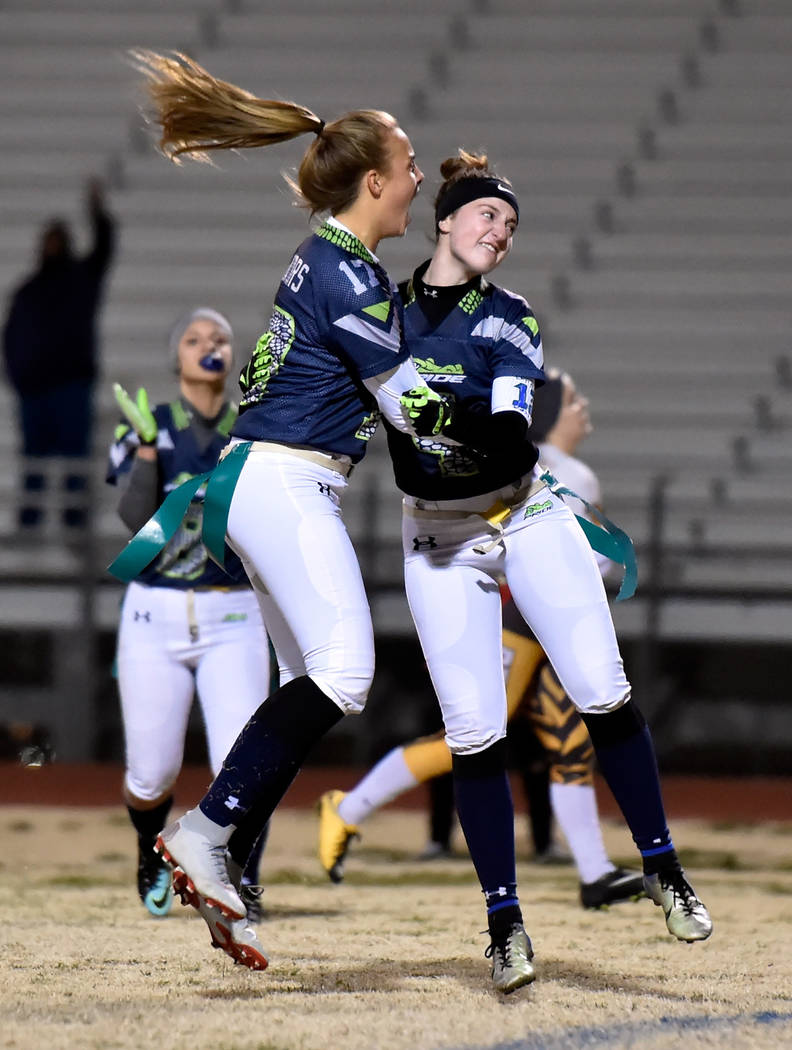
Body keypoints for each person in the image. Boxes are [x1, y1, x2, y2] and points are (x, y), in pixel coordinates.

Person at [119, 50, 459, 976]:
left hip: (258, 479)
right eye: (411, 162)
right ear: (376, 180)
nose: (420, 176)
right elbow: (413, 407)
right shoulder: (345, 276)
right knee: (346, 673)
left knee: (302, 683)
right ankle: (209, 834)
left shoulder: (333, 262)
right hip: (282, 481)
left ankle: (227, 873)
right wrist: (514, 470)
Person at [379, 151, 711, 990]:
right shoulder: (383, 312)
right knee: (474, 734)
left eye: (513, 225)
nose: (502, 231)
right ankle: (505, 925)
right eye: (489, 215)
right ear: (445, 218)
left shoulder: (511, 319)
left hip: (524, 514)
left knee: (604, 690)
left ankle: (664, 869)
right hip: (437, 536)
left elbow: (506, 439)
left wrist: (415, 406)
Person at [317, 372, 645, 914]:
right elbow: (594, 563)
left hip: (509, 609)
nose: (583, 409)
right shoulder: (570, 474)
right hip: (517, 615)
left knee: (568, 742)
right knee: (472, 736)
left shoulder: (528, 460)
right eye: (572, 400)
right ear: (550, 413)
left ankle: (595, 872)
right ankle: (348, 809)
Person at [107, 307, 271, 935]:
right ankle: (151, 847)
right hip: (156, 610)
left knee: (246, 759)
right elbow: (133, 521)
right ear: (177, 355)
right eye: (197, 339)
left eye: (221, 339)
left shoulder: (251, 428)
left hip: (234, 610)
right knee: (152, 775)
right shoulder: (151, 427)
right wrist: (147, 448)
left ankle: (241, 877)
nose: (210, 347)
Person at [2, 178, 116, 530]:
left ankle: (74, 523)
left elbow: (104, 248)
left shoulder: (81, 278)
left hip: (70, 388)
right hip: (35, 390)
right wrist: (19, 379)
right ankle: (30, 523)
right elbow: (10, 337)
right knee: (34, 462)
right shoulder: (27, 291)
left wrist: (97, 211)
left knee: (73, 461)